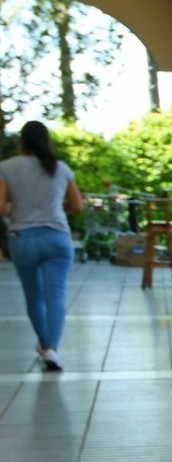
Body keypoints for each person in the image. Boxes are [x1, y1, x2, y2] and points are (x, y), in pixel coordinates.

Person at [0, 120, 84, 372]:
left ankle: (45, 345)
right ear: (47, 141)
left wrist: (16, 209)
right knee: (55, 294)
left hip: (23, 239)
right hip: (57, 238)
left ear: (21, 141)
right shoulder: (60, 168)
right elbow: (77, 206)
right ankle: (51, 348)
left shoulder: (6, 167)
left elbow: (1, 207)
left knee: (34, 296)